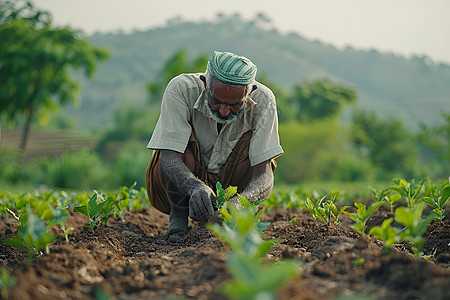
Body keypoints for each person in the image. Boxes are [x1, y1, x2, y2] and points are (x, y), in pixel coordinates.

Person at [145, 50, 283, 239]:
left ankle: (234, 222)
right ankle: (178, 219)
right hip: (185, 177)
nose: (225, 111)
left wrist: (239, 202)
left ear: (250, 92)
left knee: (258, 153)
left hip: (232, 182)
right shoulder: (181, 89)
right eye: (216, 101)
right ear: (205, 85)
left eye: (235, 105)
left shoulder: (265, 101)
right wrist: (193, 186)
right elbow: (169, 156)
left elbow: (263, 172)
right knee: (173, 144)